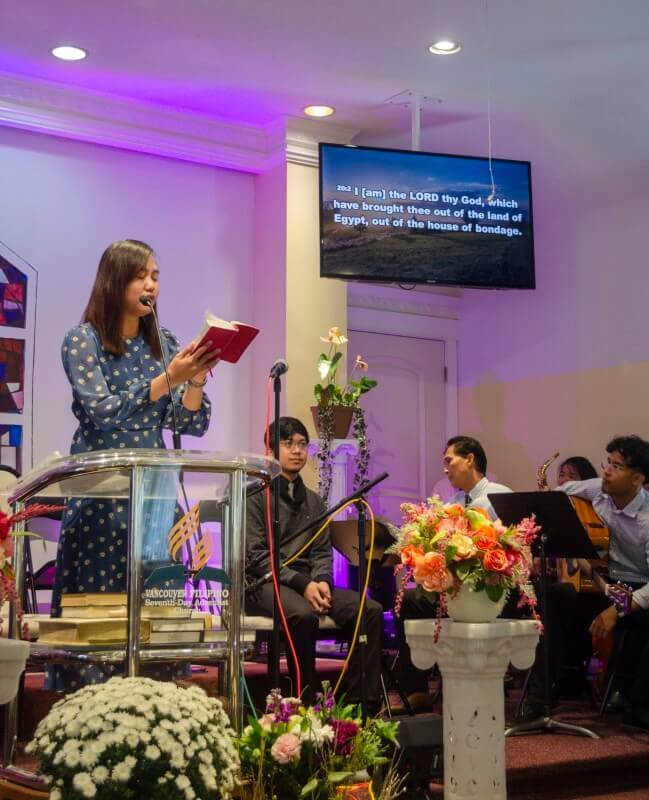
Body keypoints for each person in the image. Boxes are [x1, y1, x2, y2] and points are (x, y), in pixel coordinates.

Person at [48, 239, 218, 688]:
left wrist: (195, 378)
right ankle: (90, 696)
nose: (151, 285)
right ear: (115, 280)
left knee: (156, 597)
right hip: (103, 485)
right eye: (142, 275)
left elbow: (189, 422)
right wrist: (170, 379)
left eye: (156, 276)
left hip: (155, 489)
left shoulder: (165, 343)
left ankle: (156, 694)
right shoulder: (81, 340)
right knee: (101, 602)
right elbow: (103, 412)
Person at [245, 416, 384, 710]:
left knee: (369, 610)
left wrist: (322, 581)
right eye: (287, 444)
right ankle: (302, 702)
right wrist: (304, 584)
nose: (296, 451)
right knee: (303, 617)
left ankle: (358, 704)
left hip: (308, 582)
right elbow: (256, 557)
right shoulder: (254, 496)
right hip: (264, 582)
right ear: (269, 448)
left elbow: (322, 551)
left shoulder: (314, 501)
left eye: (302, 444)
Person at [519, 435, 649, 721]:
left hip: (639, 589)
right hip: (602, 583)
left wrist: (617, 611)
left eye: (617, 466)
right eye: (608, 463)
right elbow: (562, 491)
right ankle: (544, 694)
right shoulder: (599, 489)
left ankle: (634, 700)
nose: (607, 471)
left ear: (638, 478)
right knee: (549, 595)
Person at [394, 435, 513, 710]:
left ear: (470, 458)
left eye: (449, 461)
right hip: (456, 585)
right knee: (408, 601)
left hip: (488, 585)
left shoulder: (499, 495)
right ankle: (417, 690)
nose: (445, 469)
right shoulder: (455, 501)